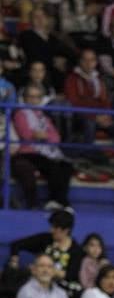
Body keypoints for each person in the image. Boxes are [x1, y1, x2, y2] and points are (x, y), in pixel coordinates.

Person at [11, 83, 73, 211]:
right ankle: (62, 202)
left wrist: (42, 135)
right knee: (53, 165)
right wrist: (42, 135)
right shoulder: (20, 114)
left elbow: (56, 138)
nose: (34, 100)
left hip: (45, 151)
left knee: (66, 165)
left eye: (37, 97)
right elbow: (26, 134)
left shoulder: (43, 116)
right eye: (31, 97)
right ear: (25, 98)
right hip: (28, 152)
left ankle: (55, 200)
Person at [9, 209, 83, 298]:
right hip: (37, 280)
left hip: (60, 286)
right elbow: (16, 245)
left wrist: (46, 270)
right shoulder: (45, 239)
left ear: (66, 230)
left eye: (55, 228)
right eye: (51, 226)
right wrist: (14, 261)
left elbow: (70, 275)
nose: (51, 230)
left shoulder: (76, 250)